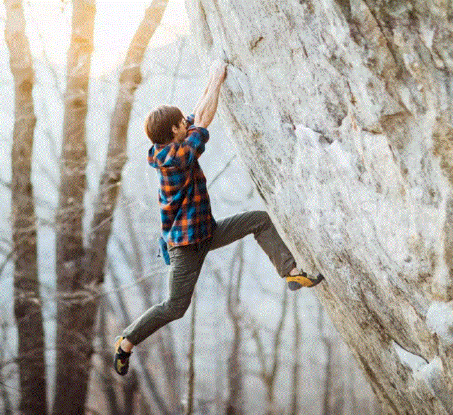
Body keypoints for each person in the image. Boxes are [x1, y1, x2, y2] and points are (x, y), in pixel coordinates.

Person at [114, 60, 323, 376]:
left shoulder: (170, 143)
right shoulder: (175, 158)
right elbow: (204, 122)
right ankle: (126, 342)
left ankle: (291, 273)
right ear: (174, 132)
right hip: (185, 246)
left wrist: (213, 83)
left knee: (259, 220)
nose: (185, 124)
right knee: (174, 308)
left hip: (205, 231)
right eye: (180, 125)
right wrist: (216, 79)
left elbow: (196, 117)